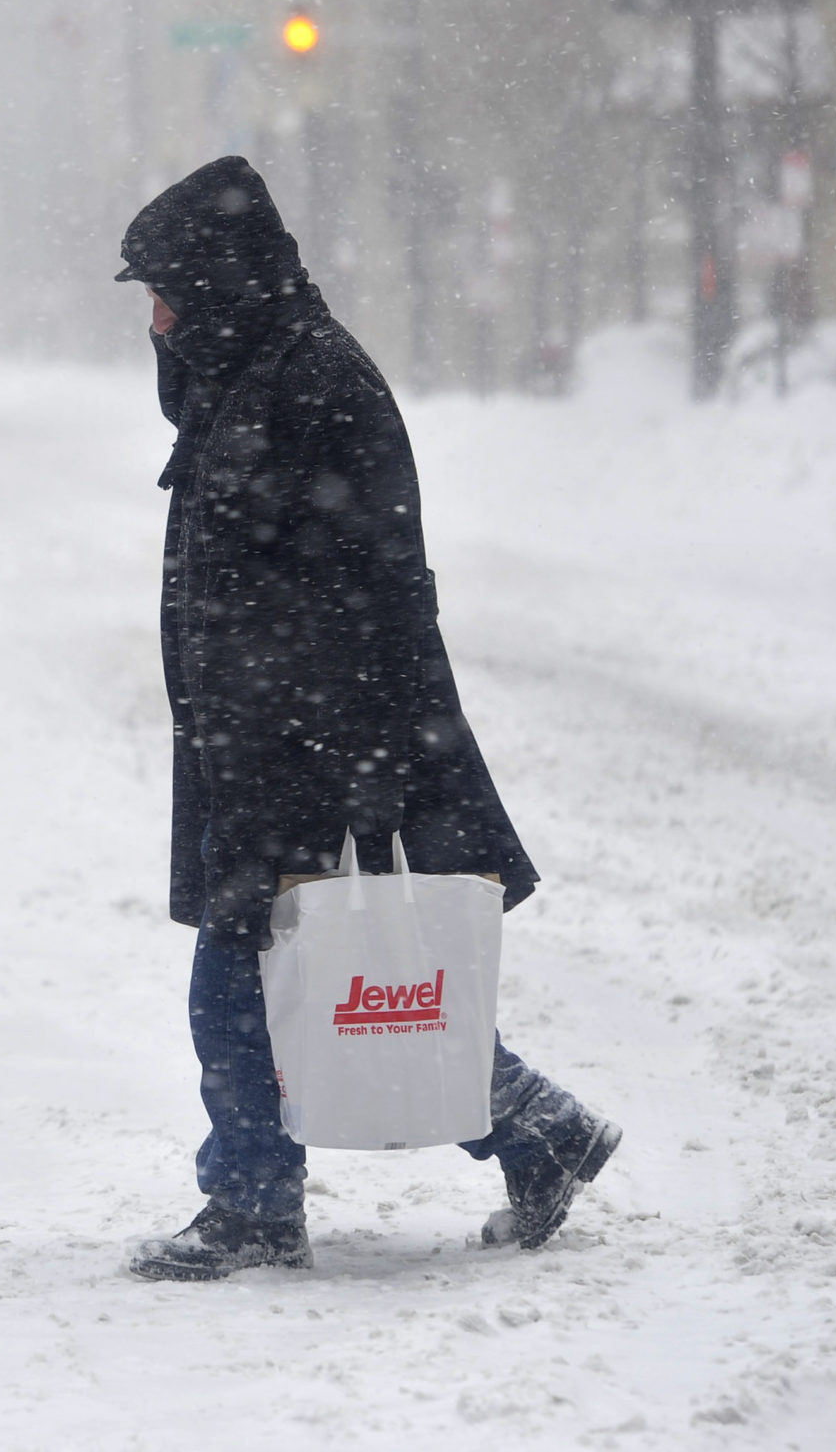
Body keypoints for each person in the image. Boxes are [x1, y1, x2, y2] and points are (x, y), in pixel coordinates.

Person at [116, 158, 621, 1282]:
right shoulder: (245, 373)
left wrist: (365, 768)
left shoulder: (314, 379)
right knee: (322, 972)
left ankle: (251, 1202)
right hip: (257, 740)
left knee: (248, 975)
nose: (154, 317)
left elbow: (375, 589)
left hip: (305, 741)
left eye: (165, 292)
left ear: (219, 279)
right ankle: (534, 1128)